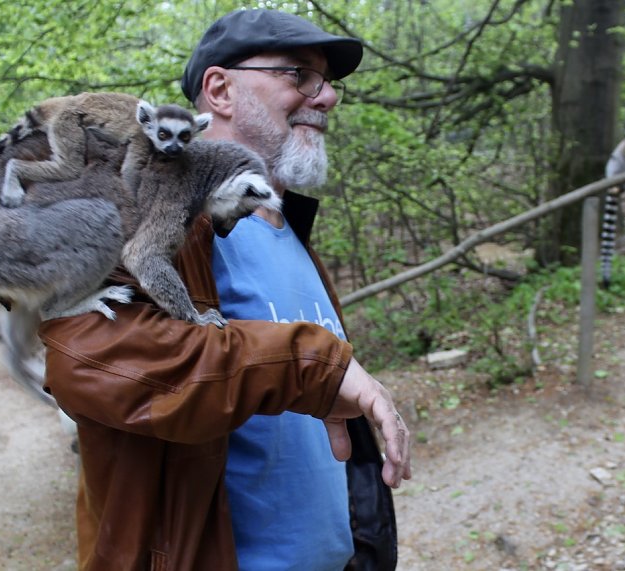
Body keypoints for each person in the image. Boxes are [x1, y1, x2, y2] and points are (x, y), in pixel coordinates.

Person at [38, 8, 411, 571]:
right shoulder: (135, 211)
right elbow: (85, 361)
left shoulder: (295, 234)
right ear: (221, 90)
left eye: (330, 83)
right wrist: (305, 363)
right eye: (300, 76)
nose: (327, 97)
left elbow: (314, 412)